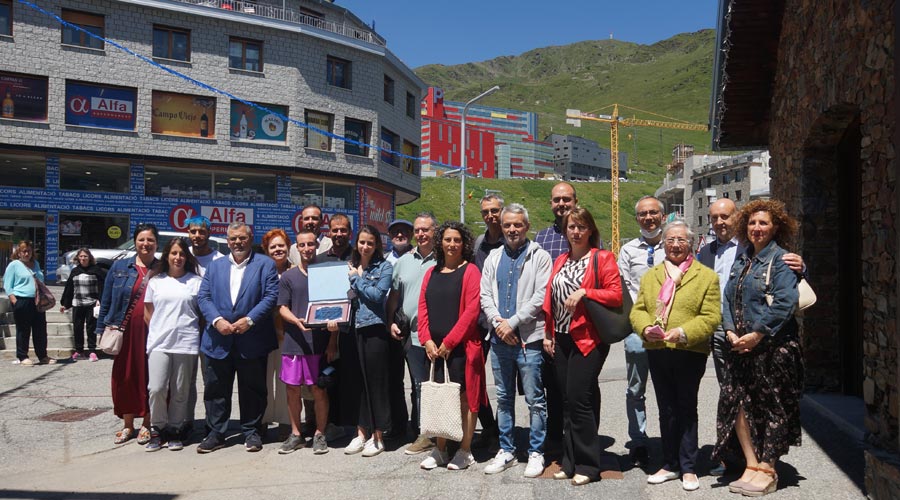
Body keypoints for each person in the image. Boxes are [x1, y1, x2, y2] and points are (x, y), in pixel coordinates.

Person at [697, 198, 805, 476]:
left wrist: (757, 334)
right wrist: (731, 330)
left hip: (770, 347)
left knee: (771, 405)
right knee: (737, 402)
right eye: (753, 222)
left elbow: (785, 300)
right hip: (735, 343)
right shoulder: (737, 258)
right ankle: (747, 461)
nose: (757, 227)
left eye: (763, 223)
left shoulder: (780, 259)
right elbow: (728, 297)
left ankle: (767, 466)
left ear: (775, 227)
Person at [630, 220, 721, 491]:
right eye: (670, 240)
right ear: (664, 244)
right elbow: (638, 310)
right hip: (658, 350)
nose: (675, 245)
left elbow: (711, 316)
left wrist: (682, 332)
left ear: (690, 243)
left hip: (688, 351)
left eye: (681, 240)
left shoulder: (706, 276)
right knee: (666, 408)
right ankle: (669, 463)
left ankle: (689, 466)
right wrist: (646, 328)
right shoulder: (651, 275)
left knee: (686, 407)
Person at [541, 207, 622, 486]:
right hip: (561, 337)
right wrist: (548, 333)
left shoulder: (602, 258)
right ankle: (569, 461)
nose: (576, 232)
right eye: (571, 227)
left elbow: (616, 295)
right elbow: (550, 298)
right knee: (565, 402)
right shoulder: (561, 259)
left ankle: (588, 465)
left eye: (581, 227)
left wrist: (586, 291)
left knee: (579, 399)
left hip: (588, 338)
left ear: (590, 231)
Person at [480, 203, 552, 478]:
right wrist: (499, 323)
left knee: (535, 399)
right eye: (507, 224)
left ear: (526, 226)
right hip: (499, 340)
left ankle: (536, 452)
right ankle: (506, 449)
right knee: (504, 397)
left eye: (517, 225)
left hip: (528, 340)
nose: (512, 229)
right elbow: (485, 294)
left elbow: (540, 296)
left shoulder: (540, 256)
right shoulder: (493, 257)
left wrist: (513, 322)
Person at [196, 222, 279, 453]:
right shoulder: (215, 266)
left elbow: (271, 296)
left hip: (252, 338)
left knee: (252, 388)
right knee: (215, 389)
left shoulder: (265, 265)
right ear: (227, 240)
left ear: (250, 238)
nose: (237, 243)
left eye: (242, 238)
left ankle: (251, 432)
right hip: (218, 338)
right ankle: (216, 433)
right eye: (233, 239)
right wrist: (216, 321)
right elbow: (203, 297)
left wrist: (249, 320)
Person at [417, 221, 486, 471]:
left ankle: (465, 450)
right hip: (434, 350)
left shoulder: (471, 272)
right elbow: (422, 308)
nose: (452, 244)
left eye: (457, 240)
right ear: (440, 242)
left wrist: (449, 342)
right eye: (447, 239)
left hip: (461, 348)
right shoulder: (431, 273)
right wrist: (426, 340)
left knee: (466, 400)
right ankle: (441, 449)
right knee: (439, 399)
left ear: (464, 243)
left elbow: (471, 311)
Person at [534, 182, 588, 451]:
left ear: (575, 200)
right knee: (552, 385)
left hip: (581, 327)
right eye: (557, 200)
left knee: (579, 389)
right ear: (550, 203)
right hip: (548, 324)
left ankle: (580, 441)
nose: (561, 204)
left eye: (566, 199)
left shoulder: (587, 233)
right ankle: (556, 440)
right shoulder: (541, 238)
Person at [95, 223, 160, 445]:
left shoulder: (162, 269)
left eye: (150, 240)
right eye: (142, 239)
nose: (146, 244)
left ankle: (147, 424)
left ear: (156, 243)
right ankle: (128, 424)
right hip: (124, 331)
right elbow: (107, 300)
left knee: (150, 378)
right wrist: (100, 328)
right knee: (124, 377)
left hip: (152, 333)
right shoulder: (120, 267)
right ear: (135, 242)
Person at [277, 229, 340, 455]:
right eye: (302, 245)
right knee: (292, 389)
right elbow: (282, 307)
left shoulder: (327, 274)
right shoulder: (288, 277)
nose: (306, 249)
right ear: (296, 247)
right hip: (294, 342)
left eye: (310, 244)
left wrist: (333, 339)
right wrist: (296, 320)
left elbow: (337, 308)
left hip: (320, 343)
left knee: (318, 390)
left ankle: (319, 433)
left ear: (316, 246)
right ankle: (296, 434)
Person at [618, 195, 666, 467]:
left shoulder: (674, 244)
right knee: (635, 389)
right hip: (638, 330)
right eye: (643, 214)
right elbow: (624, 291)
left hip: (669, 330)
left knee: (668, 389)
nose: (648, 218)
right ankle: (638, 442)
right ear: (637, 218)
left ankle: (670, 438)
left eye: (653, 213)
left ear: (662, 215)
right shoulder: (628, 251)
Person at [143, 237, 203, 452]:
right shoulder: (156, 281)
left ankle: (175, 429)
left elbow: (202, 313)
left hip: (186, 343)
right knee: (156, 388)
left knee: (180, 391)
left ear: (187, 258)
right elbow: (148, 313)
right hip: (160, 343)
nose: (178, 257)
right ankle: (157, 429)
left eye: (182, 254)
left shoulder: (196, 282)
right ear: (167, 255)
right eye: (174, 253)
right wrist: (160, 330)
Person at [386, 213, 438, 455]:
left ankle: (439, 432)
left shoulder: (445, 258)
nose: (421, 234)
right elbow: (395, 296)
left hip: (438, 335)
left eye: (425, 229)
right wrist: (391, 321)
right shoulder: (404, 262)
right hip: (412, 335)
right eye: (417, 230)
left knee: (438, 385)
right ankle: (424, 433)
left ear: (435, 231)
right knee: (419, 386)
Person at [343, 225, 394, 458]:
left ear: (377, 246)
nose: (365, 246)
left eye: (370, 243)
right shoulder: (348, 266)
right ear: (357, 243)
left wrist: (357, 280)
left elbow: (377, 296)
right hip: (352, 329)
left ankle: (378, 435)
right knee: (358, 384)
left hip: (374, 329)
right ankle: (361, 432)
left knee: (376, 383)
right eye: (362, 242)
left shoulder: (384, 267)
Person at [471, 195, 503, 449]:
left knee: (506, 380)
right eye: (486, 212)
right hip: (480, 321)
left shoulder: (514, 240)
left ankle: (506, 431)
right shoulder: (478, 245)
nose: (490, 216)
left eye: (495, 211)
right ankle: (490, 427)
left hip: (507, 322)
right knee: (476, 376)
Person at [383, 218, 413, 440]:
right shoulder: (384, 260)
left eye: (404, 231)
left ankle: (421, 427)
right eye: (395, 232)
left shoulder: (418, 257)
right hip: (391, 324)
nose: (400, 235)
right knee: (394, 380)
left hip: (414, 325)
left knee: (418, 381)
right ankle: (398, 425)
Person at [261, 229, 293, 431]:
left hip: (288, 334)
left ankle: (285, 421)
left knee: (284, 379)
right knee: (262, 378)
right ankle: (262, 420)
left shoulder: (296, 271)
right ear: (266, 250)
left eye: (281, 245)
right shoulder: (260, 270)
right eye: (273, 246)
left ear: (288, 247)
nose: (278, 249)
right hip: (263, 332)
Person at [5, 240, 53, 366]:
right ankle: (22, 356)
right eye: (24, 251)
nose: (26, 254)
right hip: (22, 300)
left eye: (29, 251)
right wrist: (14, 300)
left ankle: (43, 355)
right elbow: (7, 284)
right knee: (23, 329)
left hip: (37, 300)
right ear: (19, 253)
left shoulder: (35, 264)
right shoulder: (14, 265)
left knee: (40, 329)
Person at [60, 248, 106, 362]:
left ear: (89, 258)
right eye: (81, 256)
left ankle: (92, 351)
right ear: (78, 258)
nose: (83, 258)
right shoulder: (75, 271)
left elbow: (102, 287)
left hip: (92, 303)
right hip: (78, 303)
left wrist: (101, 300)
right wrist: (65, 304)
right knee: (77, 327)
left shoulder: (96, 270)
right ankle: (79, 350)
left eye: (85, 256)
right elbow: (69, 288)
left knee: (91, 328)